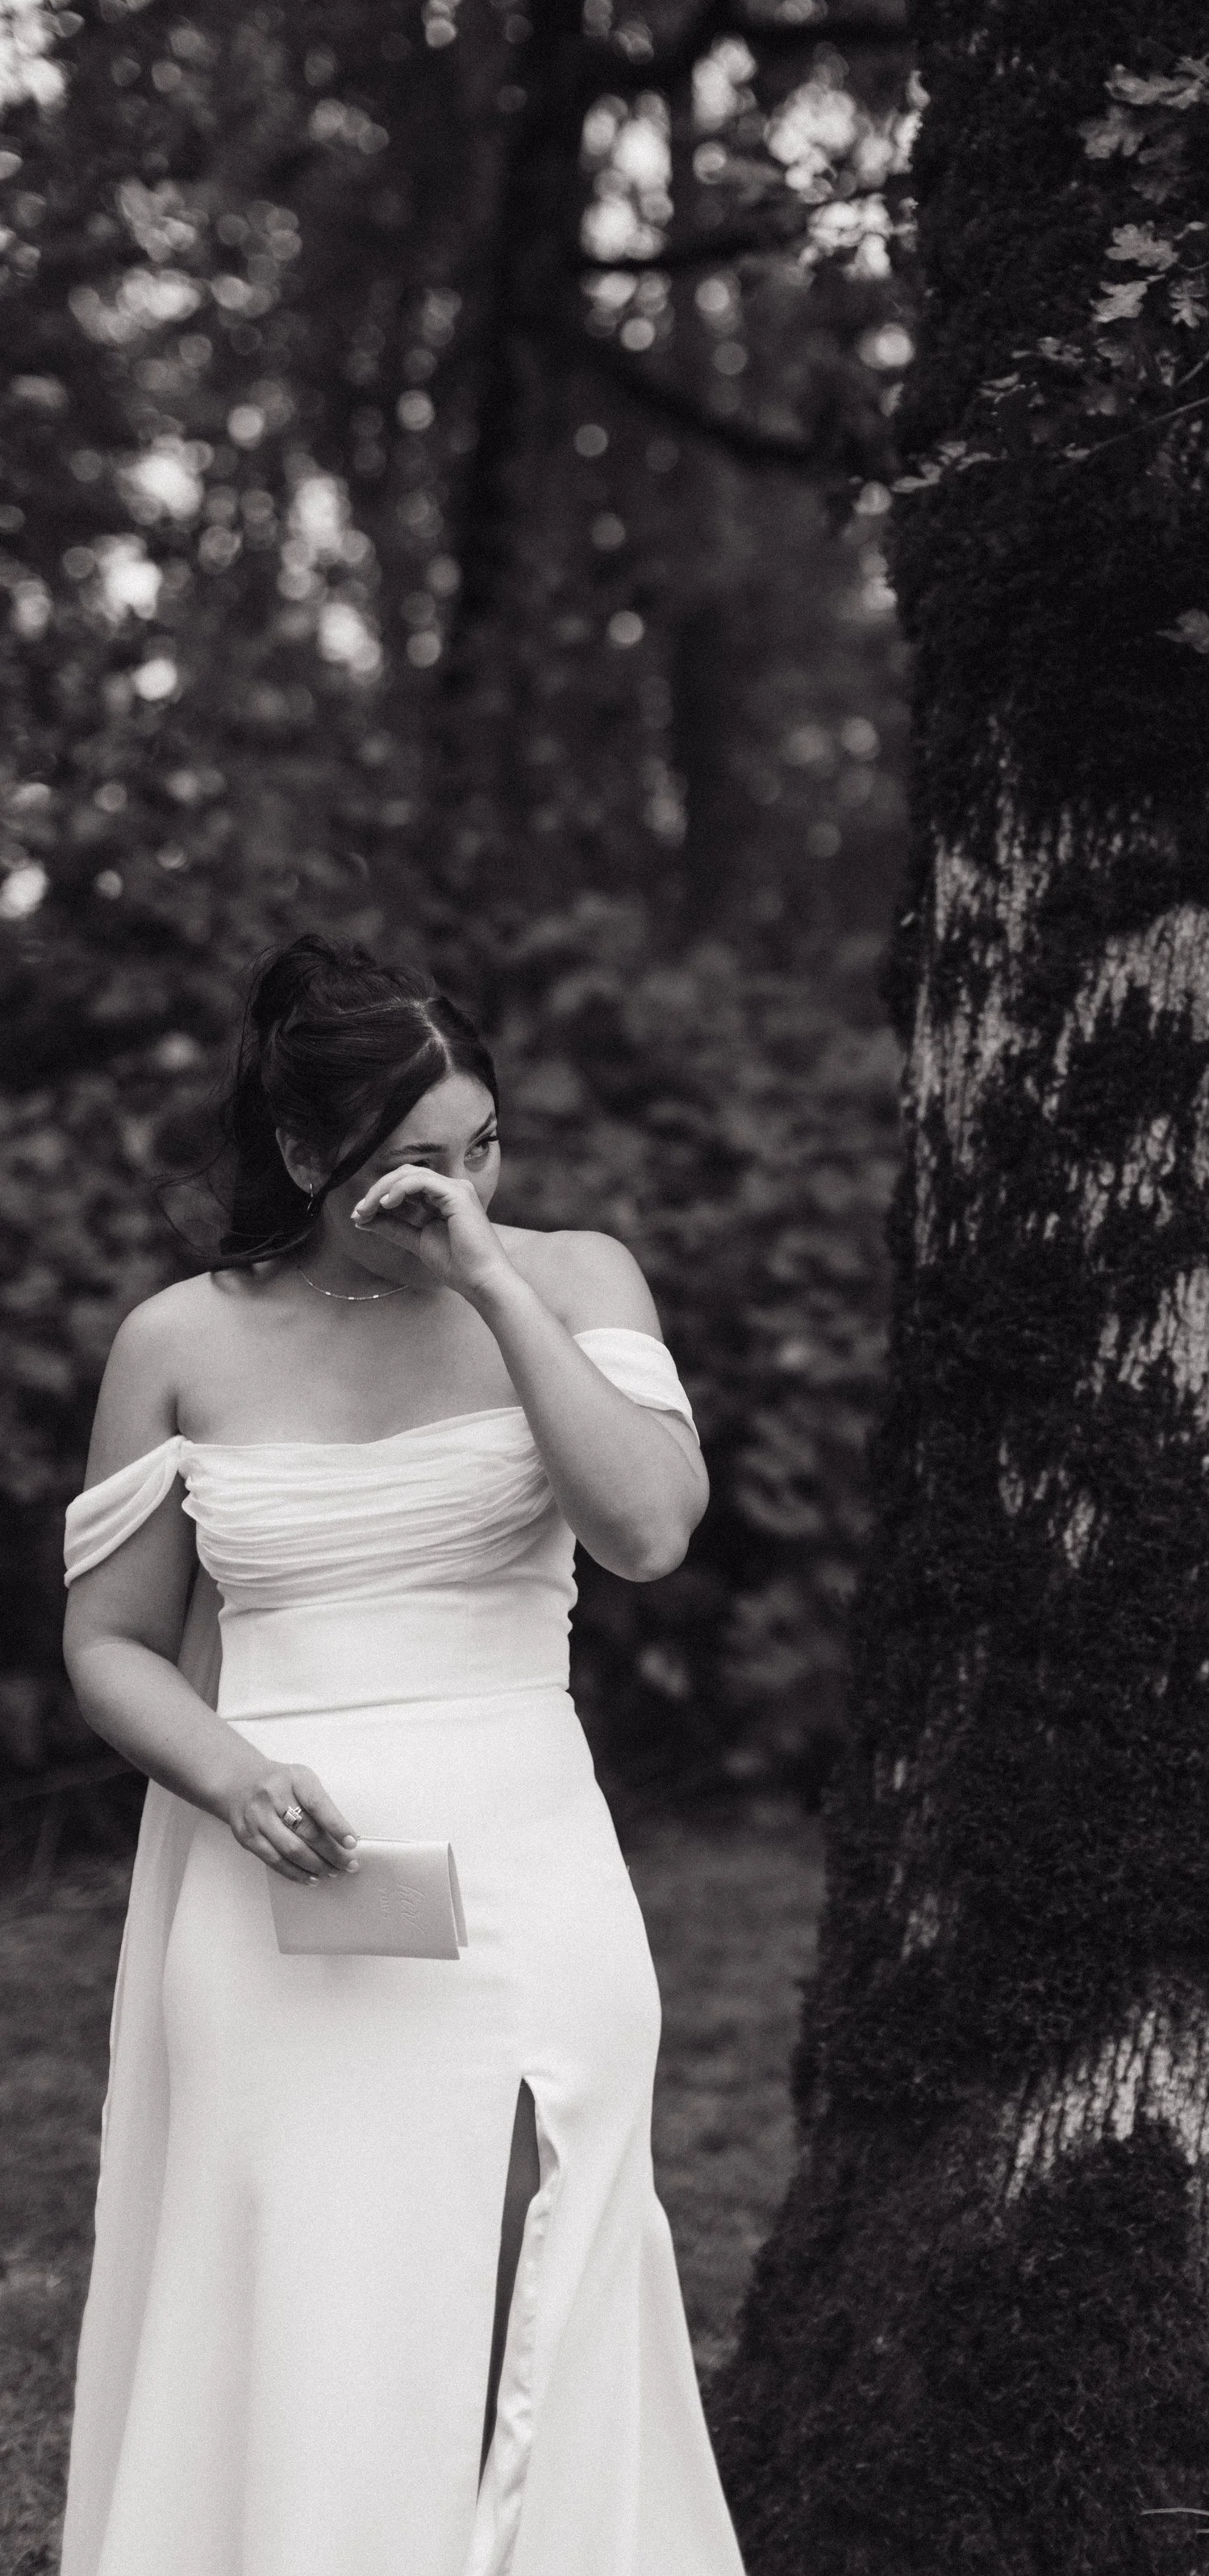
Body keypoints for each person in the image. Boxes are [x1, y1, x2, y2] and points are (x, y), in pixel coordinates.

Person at [57, 933, 747, 2576]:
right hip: (278, 1883)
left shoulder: (572, 1278)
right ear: (305, 1156)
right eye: (411, 1161)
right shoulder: (182, 1340)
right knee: (309, 2288)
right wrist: (229, 1774)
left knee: (534, 2247)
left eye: (481, 1142)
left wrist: (488, 1275)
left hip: (520, 1862)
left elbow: (647, 1527)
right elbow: (105, 1643)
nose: (458, 1184)